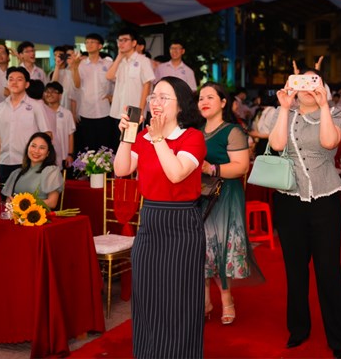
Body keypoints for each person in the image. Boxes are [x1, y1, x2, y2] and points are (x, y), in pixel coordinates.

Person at [114, 76, 207, 358]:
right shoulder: (142, 136)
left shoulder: (192, 137)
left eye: (164, 97)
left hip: (182, 224)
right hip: (150, 220)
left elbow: (176, 173)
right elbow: (121, 169)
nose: (155, 102)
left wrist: (157, 139)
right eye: (153, 96)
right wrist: (127, 136)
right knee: (147, 296)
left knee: (178, 299)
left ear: (180, 106)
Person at [269, 69, 341, 358]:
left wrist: (324, 104)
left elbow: (329, 142)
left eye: (313, 81)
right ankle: (298, 329)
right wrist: (284, 108)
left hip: (325, 200)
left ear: (323, 87)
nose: (306, 87)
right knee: (295, 270)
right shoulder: (284, 113)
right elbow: (277, 145)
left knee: (329, 270)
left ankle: (338, 337)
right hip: (289, 201)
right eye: (300, 81)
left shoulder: (335, 113)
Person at [197, 82, 264, 325]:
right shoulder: (195, 132)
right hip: (199, 195)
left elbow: (241, 167)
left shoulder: (232, 131)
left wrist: (211, 168)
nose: (204, 102)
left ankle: (227, 301)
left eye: (210, 97)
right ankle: (205, 301)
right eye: (201, 98)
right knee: (202, 248)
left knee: (222, 246)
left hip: (225, 194)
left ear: (223, 102)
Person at [0, 67, 52, 184]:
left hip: (29, 163)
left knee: (26, 195)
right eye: (11, 79)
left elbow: (47, 134)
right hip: (4, 162)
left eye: (19, 79)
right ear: (7, 83)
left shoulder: (36, 106)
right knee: (4, 195)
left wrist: (39, 160)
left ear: (27, 84)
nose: (14, 82)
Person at [106, 28, 155, 144]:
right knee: (119, 144)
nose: (121, 43)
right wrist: (119, 57)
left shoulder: (143, 61)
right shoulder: (120, 62)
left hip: (134, 112)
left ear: (134, 43)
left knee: (133, 145)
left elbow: (147, 85)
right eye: (119, 40)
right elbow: (109, 76)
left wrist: (140, 111)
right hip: (118, 111)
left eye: (125, 40)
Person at [1, 132, 63, 209]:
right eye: (33, 146)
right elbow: (8, 201)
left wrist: (24, 204)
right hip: (16, 215)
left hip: (39, 215)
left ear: (48, 153)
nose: (36, 151)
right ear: (28, 148)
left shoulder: (51, 171)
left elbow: (52, 203)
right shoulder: (17, 173)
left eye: (42, 148)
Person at [76, 33, 115, 153]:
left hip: (104, 111)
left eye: (92, 42)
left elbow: (118, 82)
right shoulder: (80, 64)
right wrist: (73, 68)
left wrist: (113, 96)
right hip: (86, 111)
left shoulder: (108, 64)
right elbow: (76, 85)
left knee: (105, 146)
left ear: (100, 46)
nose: (89, 44)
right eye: (87, 42)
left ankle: (106, 166)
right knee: (89, 148)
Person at [43, 82, 76, 169]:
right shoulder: (41, 112)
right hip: (45, 155)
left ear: (60, 95)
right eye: (47, 91)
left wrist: (70, 154)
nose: (49, 94)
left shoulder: (67, 113)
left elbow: (70, 135)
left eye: (53, 92)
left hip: (63, 155)